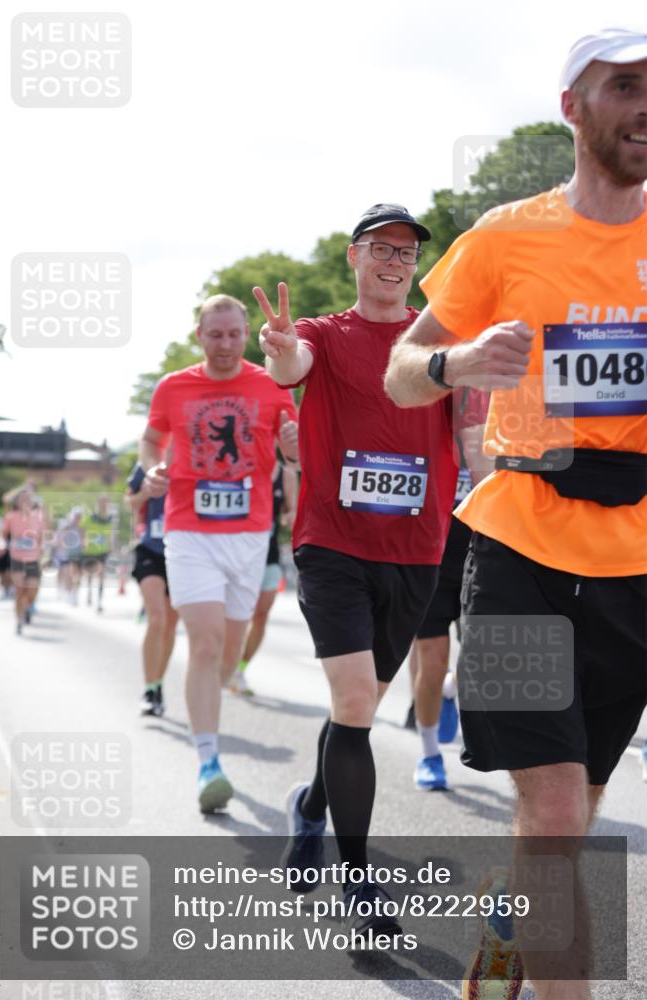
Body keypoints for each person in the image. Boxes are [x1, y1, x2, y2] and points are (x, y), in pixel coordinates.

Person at [384, 29, 647, 1000]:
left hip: (634, 560)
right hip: (518, 544)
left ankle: (508, 921)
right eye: (623, 87)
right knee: (546, 814)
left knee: (571, 816)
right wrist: (456, 363)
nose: (643, 104)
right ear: (572, 108)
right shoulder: (503, 236)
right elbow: (402, 369)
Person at [254, 203, 458, 937]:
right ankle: (361, 885)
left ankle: (310, 807)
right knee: (351, 702)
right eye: (380, 247)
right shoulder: (323, 333)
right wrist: (277, 348)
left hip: (416, 549)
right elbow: (290, 365)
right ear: (353, 257)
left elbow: (471, 423)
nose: (393, 260)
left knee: (359, 708)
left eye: (405, 251)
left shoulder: (439, 339)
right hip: (332, 543)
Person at [139, 293, 298, 813]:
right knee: (204, 646)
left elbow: (293, 449)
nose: (225, 344)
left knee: (228, 658)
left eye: (234, 334)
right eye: (215, 334)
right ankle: (208, 760)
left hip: (250, 535)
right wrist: (153, 469)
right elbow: (150, 440)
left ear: (246, 333)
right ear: (199, 336)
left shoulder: (270, 384)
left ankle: (219, 702)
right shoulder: (174, 387)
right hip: (189, 531)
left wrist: (296, 446)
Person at [410, 388, 491, 792]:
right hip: (433, 547)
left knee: (480, 655)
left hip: (487, 544)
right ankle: (428, 754)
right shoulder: (427, 393)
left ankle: (450, 688)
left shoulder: (508, 395)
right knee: (432, 655)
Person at [228, 458, 299, 695]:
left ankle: (240, 668)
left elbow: (293, 512)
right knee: (235, 616)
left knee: (261, 615)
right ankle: (223, 667)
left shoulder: (285, 475)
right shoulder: (238, 466)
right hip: (237, 556)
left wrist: (289, 518)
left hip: (269, 556)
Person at [125, 461, 178, 717]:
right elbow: (130, 503)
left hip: (183, 551)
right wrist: (148, 490)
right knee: (157, 619)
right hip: (150, 549)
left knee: (170, 625)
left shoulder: (196, 454)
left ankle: (157, 684)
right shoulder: (146, 464)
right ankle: (148, 689)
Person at [0, 487, 46, 634]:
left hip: (33, 558)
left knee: (31, 591)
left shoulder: (38, 516)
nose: (25, 502)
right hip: (17, 558)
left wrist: (44, 549)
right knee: (20, 590)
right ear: (18, 502)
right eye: (22, 499)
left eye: (28, 499)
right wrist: (2, 543)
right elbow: (3, 534)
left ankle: (27, 608)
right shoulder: (11, 516)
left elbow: (42, 536)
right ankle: (19, 620)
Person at [79, 495, 114, 612]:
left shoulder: (109, 518)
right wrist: (83, 540)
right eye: (102, 502)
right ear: (98, 503)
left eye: (106, 503)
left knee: (101, 574)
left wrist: (110, 545)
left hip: (102, 550)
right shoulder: (90, 516)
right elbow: (82, 528)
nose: (104, 505)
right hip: (90, 549)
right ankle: (89, 591)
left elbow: (110, 533)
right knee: (90, 574)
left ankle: (99, 601)